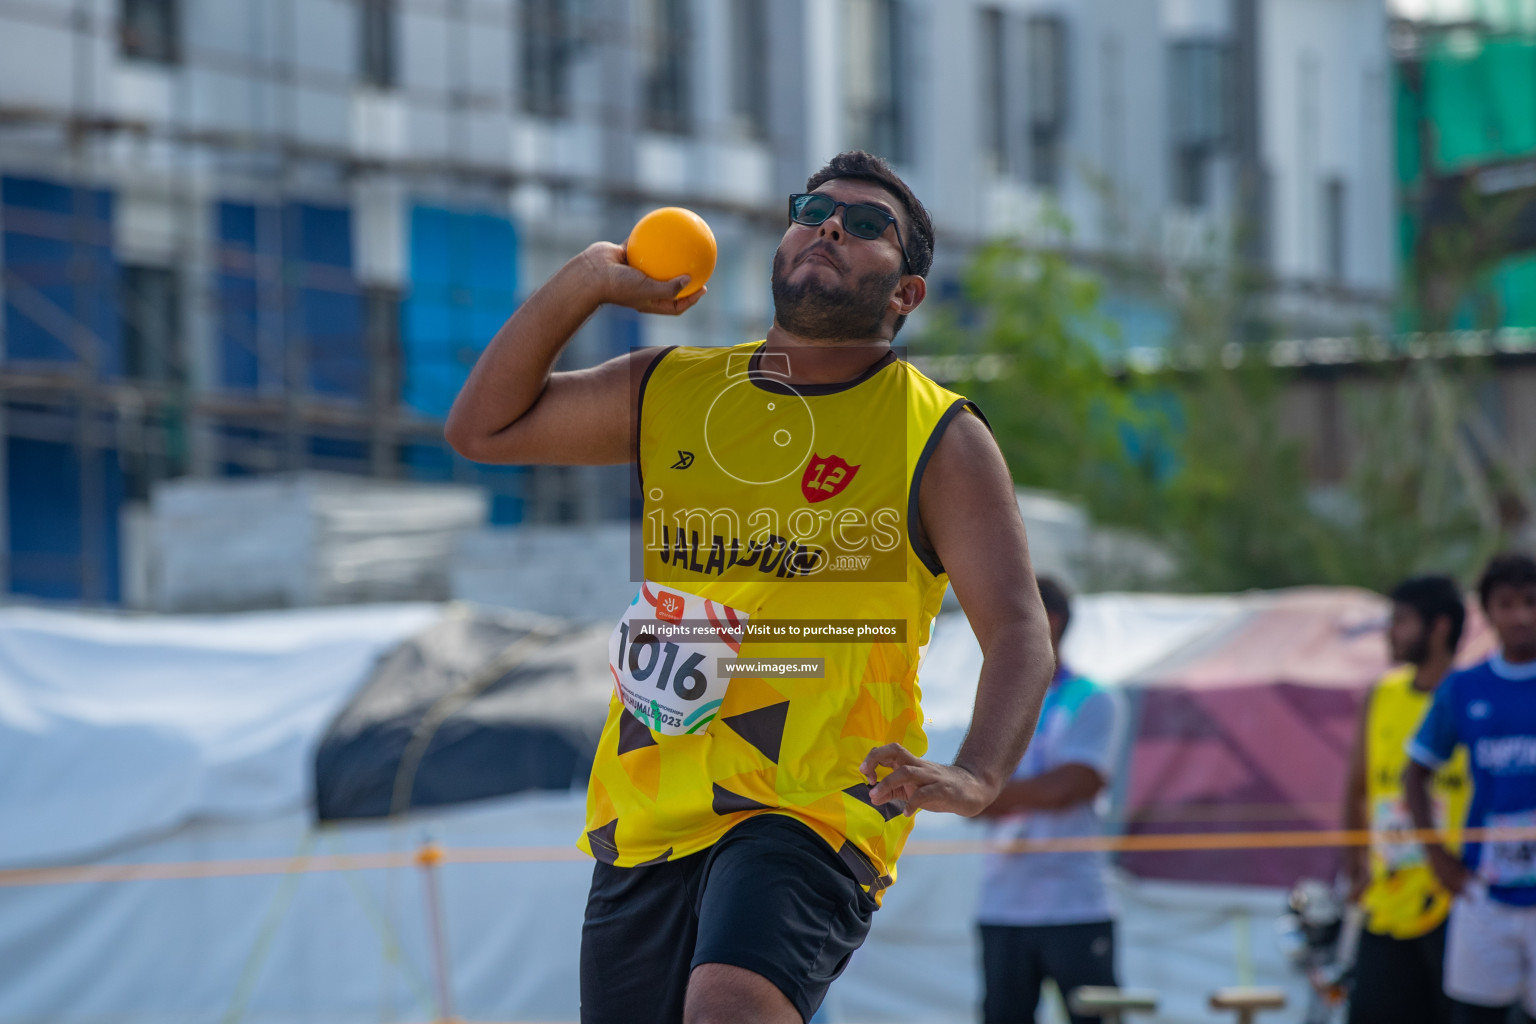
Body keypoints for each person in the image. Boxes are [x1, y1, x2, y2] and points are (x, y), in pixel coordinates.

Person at [445, 150, 1055, 1024]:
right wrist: (586, 281)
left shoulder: (941, 435)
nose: (832, 225)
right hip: (651, 795)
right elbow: (482, 429)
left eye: (868, 223)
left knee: (728, 1005)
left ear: (905, 295)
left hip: (815, 798)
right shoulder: (673, 386)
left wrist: (979, 775)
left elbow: (1019, 629)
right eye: (813, 209)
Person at [974, 576, 1126, 1024]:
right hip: (1001, 903)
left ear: (1051, 621)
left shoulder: (1094, 697)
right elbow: (966, 795)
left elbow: (1072, 787)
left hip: (1074, 903)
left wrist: (983, 790)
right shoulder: (995, 699)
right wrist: (977, 791)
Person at [1406, 553, 1536, 1024]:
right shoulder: (1465, 688)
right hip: (1485, 889)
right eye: (1507, 604)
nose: (1521, 615)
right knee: (1474, 1015)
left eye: (1531, 602)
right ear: (1488, 611)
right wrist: (1437, 856)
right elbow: (1414, 772)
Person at [1342, 575, 1470, 1024]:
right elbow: (1358, 787)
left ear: (1438, 626)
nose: (1389, 633)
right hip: (1388, 900)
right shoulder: (1382, 694)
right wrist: (1354, 863)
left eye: (1400, 621)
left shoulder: (1471, 695)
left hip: (1453, 902)